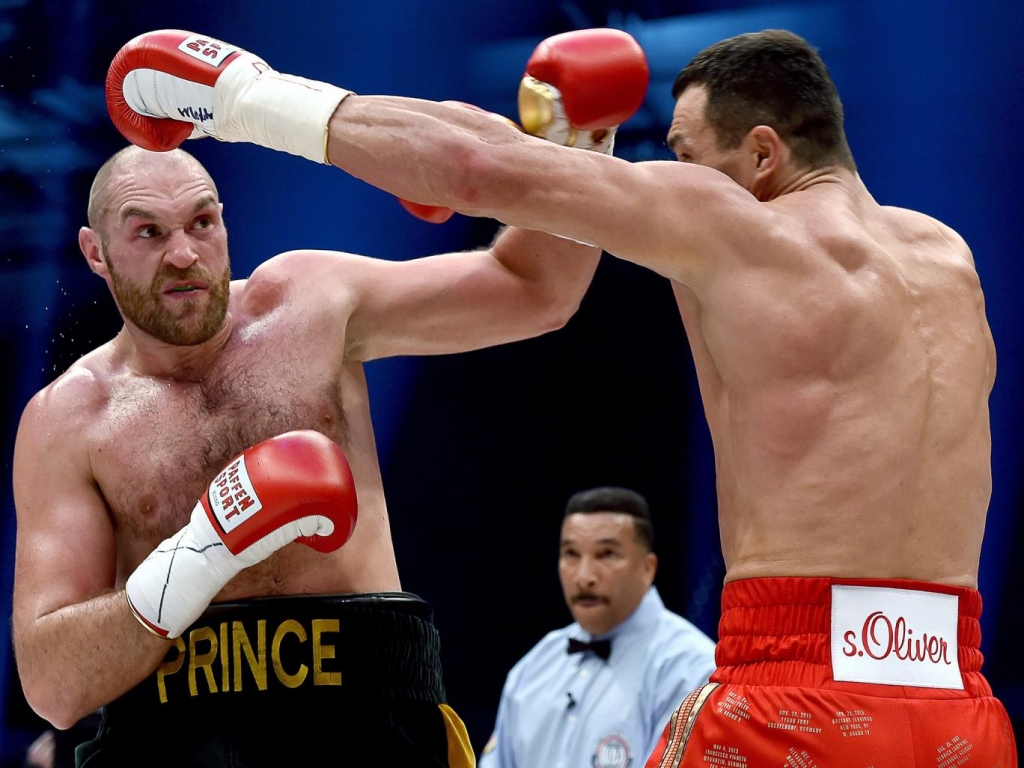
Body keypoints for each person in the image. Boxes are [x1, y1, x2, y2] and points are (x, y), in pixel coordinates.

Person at [103, 24, 1019, 766]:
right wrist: (568, 157)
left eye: (687, 154)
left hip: (795, 697)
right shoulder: (949, 261)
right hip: (960, 710)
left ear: (764, 155)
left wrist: (244, 96)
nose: (670, 176)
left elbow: (468, 168)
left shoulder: (738, 230)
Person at [12, 32, 651, 768]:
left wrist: (581, 146)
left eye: (202, 222)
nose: (183, 253)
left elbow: (539, 291)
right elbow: (55, 685)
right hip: (172, 736)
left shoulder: (310, 303)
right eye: (148, 233)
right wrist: (198, 555)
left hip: (370, 718)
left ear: (226, 220)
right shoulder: (70, 417)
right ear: (96, 253)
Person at [478, 487, 715, 768]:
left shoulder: (690, 668)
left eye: (606, 554)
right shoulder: (533, 669)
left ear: (647, 568)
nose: (584, 576)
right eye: (571, 554)